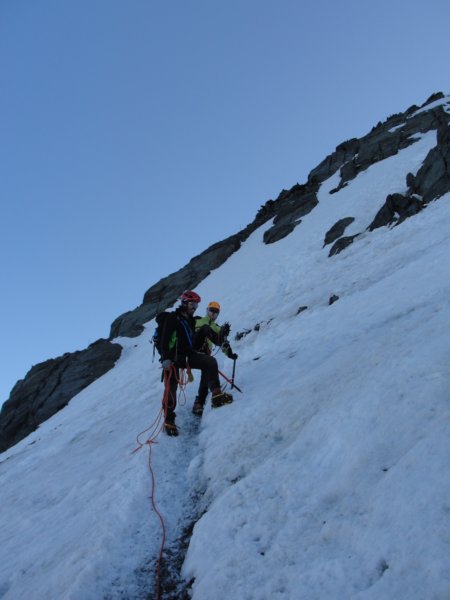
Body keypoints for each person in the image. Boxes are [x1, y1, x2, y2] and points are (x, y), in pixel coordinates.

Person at [159, 291, 232, 436]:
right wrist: (165, 358)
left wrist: (205, 341)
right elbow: (164, 340)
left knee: (210, 362)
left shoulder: (191, 320)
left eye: (196, 305)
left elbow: (192, 341)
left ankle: (216, 394)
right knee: (171, 390)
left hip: (188, 355)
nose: (194, 307)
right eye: (192, 304)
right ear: (184, 303)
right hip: (172, 359)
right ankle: (169, 421)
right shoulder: (173, 318)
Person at [192, 301, 238, 416]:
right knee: (208, 369)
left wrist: (230, 353)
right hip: (192, 350)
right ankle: (205, 398)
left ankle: (200, 402)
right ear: (207, 311)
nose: (213, 314)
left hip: (204, 355)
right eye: (211, 311)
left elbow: (223, 342)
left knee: (206, 373)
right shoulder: (196, 320)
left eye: (216, 312)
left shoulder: (216, 328)